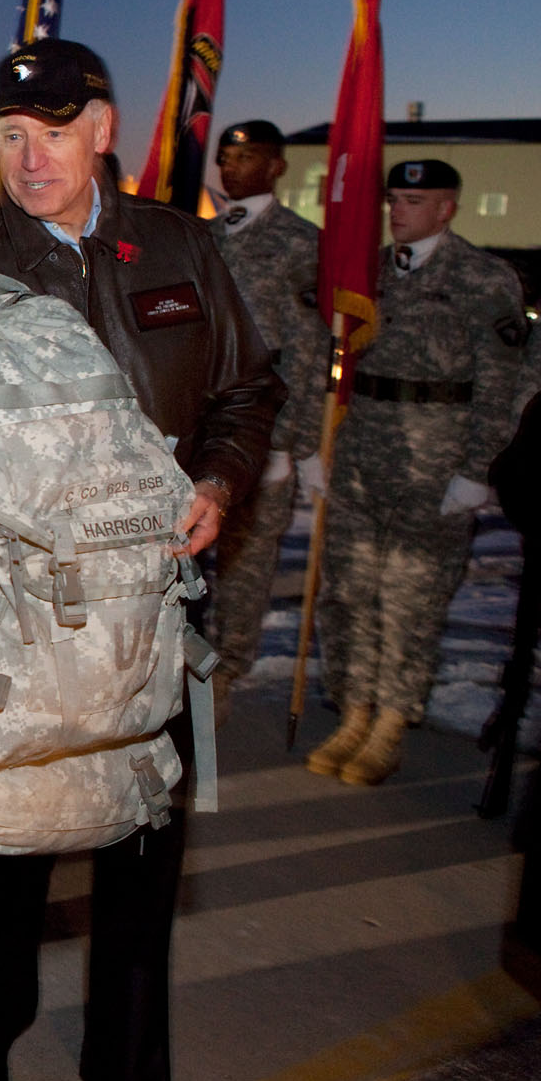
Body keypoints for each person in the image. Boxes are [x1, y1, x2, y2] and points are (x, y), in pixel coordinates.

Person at [0, 38, 282, 1081]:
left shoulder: (179, 247)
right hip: (25, 621)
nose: (27, 157)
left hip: (153, 613)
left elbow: (246, 388)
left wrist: (218, 484)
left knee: (143, 848)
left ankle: (126, 1061)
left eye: (49, 134)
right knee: (7, 864)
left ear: (101, 130)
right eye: (9, 136)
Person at [308, 158, 526, 786]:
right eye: (394, 199)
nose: (397, 211)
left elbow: (504, 383)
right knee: (347, 592)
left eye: (414, 200)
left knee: (410, 599)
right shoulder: (367, 271)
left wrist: (479, 469)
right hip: (362, 452)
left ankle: (390, 726)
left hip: (436, 460)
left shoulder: (484, 278)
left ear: (447, 209)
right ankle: (352, 713)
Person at [204, 121, 331, 723]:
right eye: (226, 156)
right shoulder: (203, 235)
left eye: (247, 156)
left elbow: (308, 351)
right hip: (202, 422)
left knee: (245, 558)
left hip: (262, 427)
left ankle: (226, 667)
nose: (231, 166)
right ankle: (187, 661)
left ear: (277, 166)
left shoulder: (303, 242)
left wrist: (290, 443)